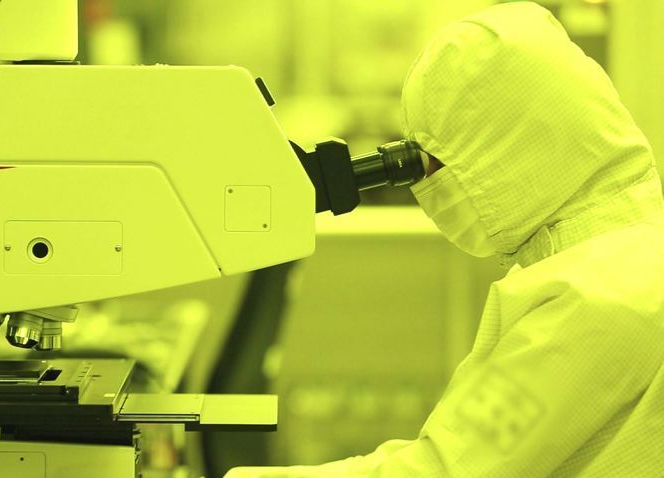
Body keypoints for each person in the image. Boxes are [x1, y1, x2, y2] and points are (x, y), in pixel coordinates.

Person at [226, 2, 664, 476]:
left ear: (505, 152)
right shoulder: (627, 255)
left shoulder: (592, 298)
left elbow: (441, 470)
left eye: (436, 162)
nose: (427, 186)